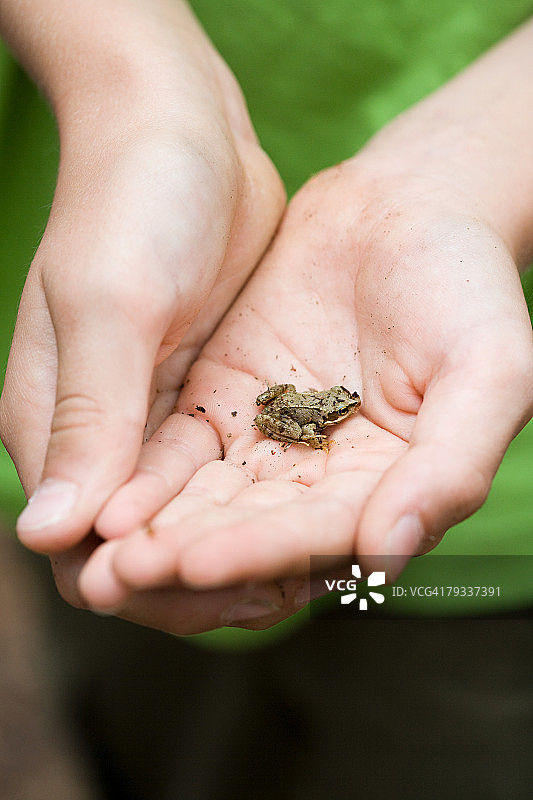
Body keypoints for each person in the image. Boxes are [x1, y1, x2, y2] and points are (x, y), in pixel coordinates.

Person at [1, 0, 532, 637]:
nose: (344, 411)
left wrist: (472, 175)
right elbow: (300, 422)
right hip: (137, 358)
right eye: (342, 408)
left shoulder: (335, 406)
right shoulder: (322, 417)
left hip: (496, 532)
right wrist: (135, 93)